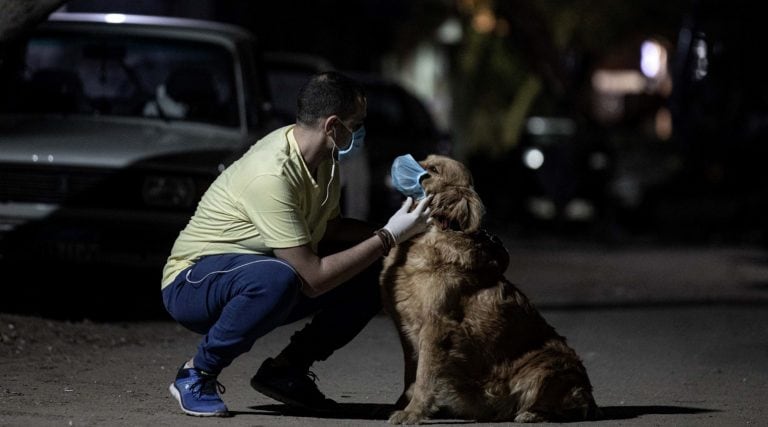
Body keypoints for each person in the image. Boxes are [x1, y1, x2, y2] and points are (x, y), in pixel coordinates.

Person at [161, 71, 432, 417]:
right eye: (357, 123)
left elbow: (330, 229)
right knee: (281, 278)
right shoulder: (271, 174)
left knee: (374, 269)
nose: (361, 132)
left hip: (255, 271)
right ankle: (196, 373)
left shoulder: (325, 162)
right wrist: (389, 235)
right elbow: (313, 278)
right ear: (333, 125)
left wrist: (403, 233)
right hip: (192, 282)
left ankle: (286, 370)